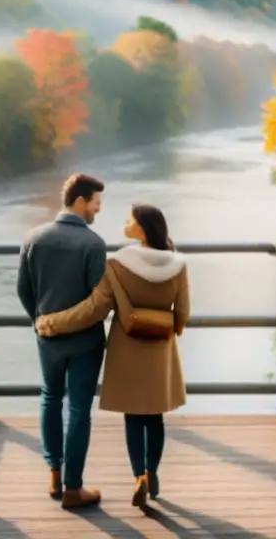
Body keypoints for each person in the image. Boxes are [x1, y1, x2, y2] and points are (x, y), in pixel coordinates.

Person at [37, 204, 190, 510]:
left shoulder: (118, 264)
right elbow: (183, 314)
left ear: (141, 229)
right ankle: (151, 473)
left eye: (129, 219)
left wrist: (51, 322)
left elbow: (94, 309)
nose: (125, 222)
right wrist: (162, 325)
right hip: (160, 350)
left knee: (133, 417)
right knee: (155, 416)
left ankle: (137, 477)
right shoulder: (178, 264)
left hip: (127, 350)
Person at [17, 173, 108, 510]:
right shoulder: (93, 244)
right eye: (97, 202)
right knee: (79, 409)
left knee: (50, 397)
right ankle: (73, 488)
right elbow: (99, 302)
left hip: (47, 339)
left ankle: (54, 472)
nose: (99, 209)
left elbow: (23, 290)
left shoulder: (33, 237)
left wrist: (41, 322)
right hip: (85, 342)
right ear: (81, 201)